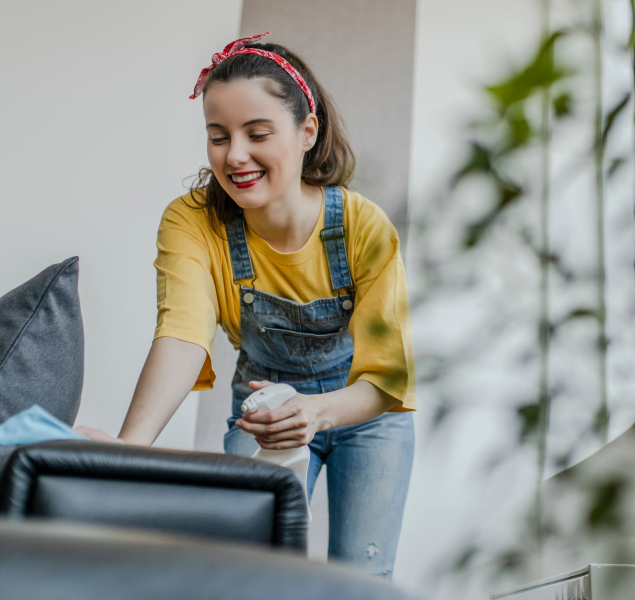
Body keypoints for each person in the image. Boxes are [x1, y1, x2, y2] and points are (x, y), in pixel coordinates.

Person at [75, 31, 416, 580]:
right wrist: (127, 450)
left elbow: (387, 378)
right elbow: (182, 335)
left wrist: (316, 411)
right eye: (218, 136)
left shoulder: (362, 226)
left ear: (307, 133)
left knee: (363, 581)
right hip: (263, 410)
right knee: (248, 572)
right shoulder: (192, 222)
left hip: (364, 414)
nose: (235, 156)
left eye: (257, 133)